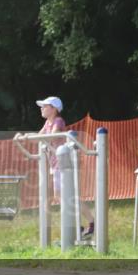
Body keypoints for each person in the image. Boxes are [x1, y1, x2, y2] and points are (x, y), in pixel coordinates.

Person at [36, 96, 93, 238]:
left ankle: (90, 223)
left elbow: (52, 135)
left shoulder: (57, 121)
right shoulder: (47, 123)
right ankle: (77, 225)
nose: (42, 108)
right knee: (62, 196)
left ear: (54, 109)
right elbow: (39, 136)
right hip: (55, 164)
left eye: (45, 106)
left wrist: (41, 138)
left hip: (63, 164)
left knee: (68, 196)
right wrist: (24, 137)